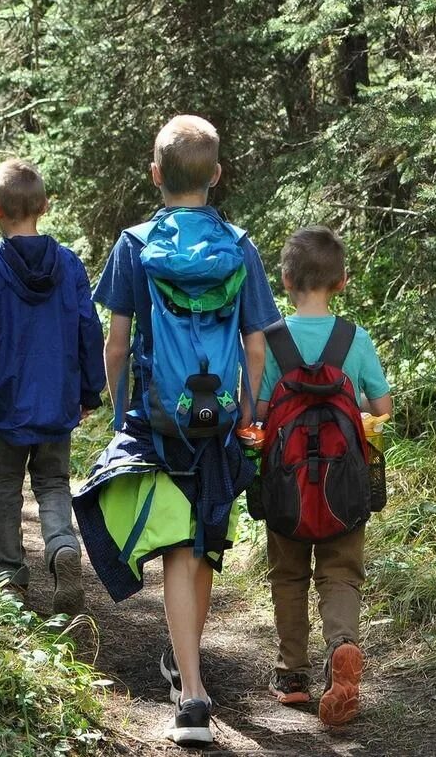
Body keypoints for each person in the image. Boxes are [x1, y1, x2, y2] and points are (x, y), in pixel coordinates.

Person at [74, 115, 281, 747]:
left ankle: (190, 692)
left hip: (159, 417)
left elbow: (116, 342)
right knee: (203, 539)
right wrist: (247, 413)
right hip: (218, 419)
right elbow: (256, 346)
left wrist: (118, 414)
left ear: (156, 173)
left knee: (175, 545)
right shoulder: (240, 245)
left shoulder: (134, 245)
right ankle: (187, 666)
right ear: (217, 175)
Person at [256, 225, 392, 727]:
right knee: (341, 573)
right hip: (344, 485)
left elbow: (259, 411)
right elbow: (383, 406)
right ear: (343, 282)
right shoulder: (355, 339)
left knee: (287, 575)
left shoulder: (271, 340)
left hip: (285, 485)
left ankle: (292, 676)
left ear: (286, 279)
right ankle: (343, 645)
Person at [0, 159, 105, 615]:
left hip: (5, 402)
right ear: (44, 205)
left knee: (3, 487)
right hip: (56, 399)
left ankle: (11, 576)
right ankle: (62, 545)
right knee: (53, 482)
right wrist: (88, 392)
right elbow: (88, 329)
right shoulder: (68, 265)